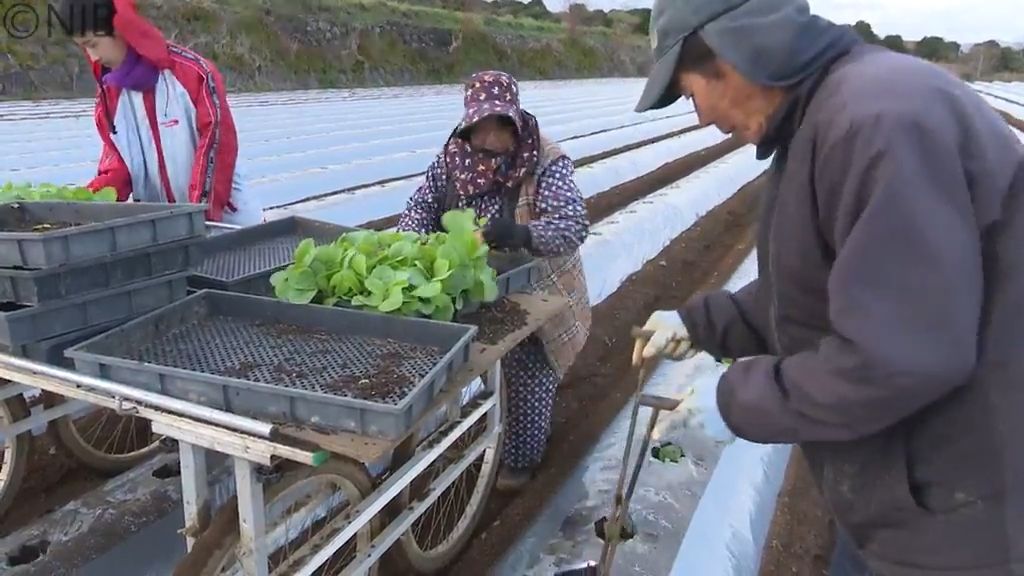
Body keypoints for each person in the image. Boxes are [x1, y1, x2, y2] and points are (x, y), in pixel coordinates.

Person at [632, 0, 1024, 575]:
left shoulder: (879, 121)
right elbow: (822, 288)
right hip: (902, 490)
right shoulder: (827, 117)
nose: (701, 119)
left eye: (691, 94)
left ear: (735, 51)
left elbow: (900, 354)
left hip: (959, 517)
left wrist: (732, 399)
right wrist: (702, 323)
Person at [398, 71, 592, 491]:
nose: (485, 140)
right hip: (470, 284)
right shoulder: (454, 157)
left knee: (528, 365)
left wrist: (519, 234)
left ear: (513, 123)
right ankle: (466, 431)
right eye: (478, 128)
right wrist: (412, 248)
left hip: (534, 284)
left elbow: (573, 225)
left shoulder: (544, 160)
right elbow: (421, 206)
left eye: (496, 127)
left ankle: (521, 459)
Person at [60, 0, 262, 225]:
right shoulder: (110, 99)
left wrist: (198, 217)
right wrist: (79, 208)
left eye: (93, 44)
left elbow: (216, 151)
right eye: (84, 48)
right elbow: (118, 168)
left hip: (225, 225)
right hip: (169, 230)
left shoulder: (194, 75)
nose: (93, 56)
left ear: (120, 26)